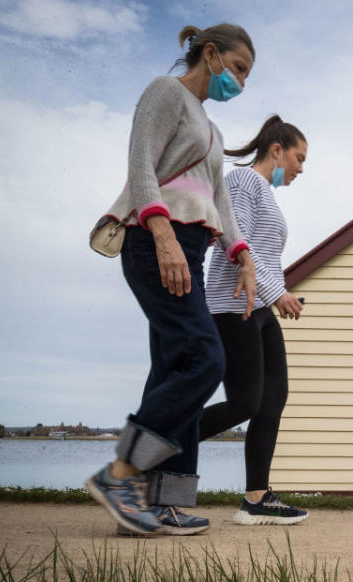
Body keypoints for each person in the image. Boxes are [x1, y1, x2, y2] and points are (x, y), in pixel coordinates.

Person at [85, 24, 259, 537]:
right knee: (206, 360)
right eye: (239, 68)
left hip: (193, 250)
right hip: (155, 242)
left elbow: (220, 202)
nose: (242, 82)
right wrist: (161, 235)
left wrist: (241, 253)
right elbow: (140, 165)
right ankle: (121, 475)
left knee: (173, 368)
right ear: (211, 54)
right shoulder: (166, 93)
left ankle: (162, 505)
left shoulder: (213, 130)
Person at [200, 115, 309, 525]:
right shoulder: (242, 181)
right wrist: (277, 292)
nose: (301, 168)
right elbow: (232, 233)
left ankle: (256, 498)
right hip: (232, 305)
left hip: (259, 308)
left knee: (273, 398)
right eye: (299, 157)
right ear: (276, 150)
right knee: (246, 401)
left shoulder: (264, 192)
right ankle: (167, 439)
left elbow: (263, 256)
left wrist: (279, 292)